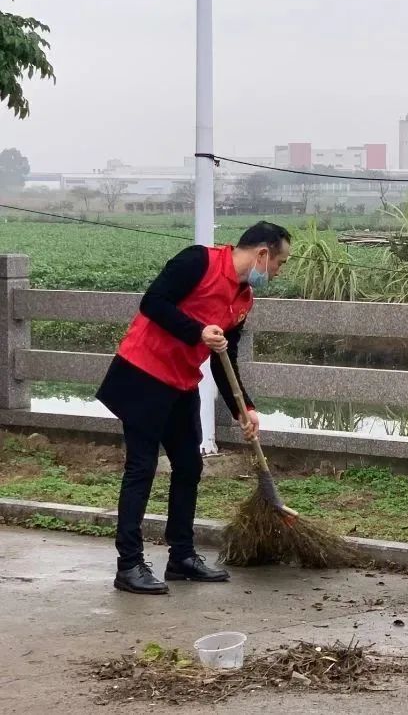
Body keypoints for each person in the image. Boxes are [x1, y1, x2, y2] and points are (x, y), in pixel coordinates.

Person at [96, 221, 291, 594]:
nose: (278, 272)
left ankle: (181, 557)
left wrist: (243, 408)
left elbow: (224, 356)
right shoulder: (197, 262)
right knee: (142, 467)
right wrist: (198, 330)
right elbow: (152, 302)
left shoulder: (243, 297)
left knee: (189, 465)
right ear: (262, 254)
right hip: (142, 373)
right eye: (280, 263)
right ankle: (129, 565)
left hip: (180, 383)